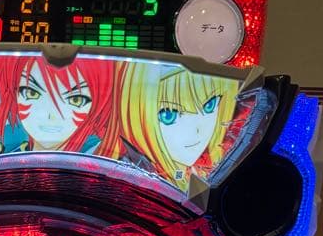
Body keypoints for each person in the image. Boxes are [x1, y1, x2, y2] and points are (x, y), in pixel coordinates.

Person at [100, 64, 239, 190]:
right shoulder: (130, 174)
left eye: (210, 105)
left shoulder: (218, 160)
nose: (196, 130)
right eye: (168, 115)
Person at [0, 54, 114, 153]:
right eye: (31, 93)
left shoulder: (101, 152)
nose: (51, 116)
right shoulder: (6, 145)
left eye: (75, 100)